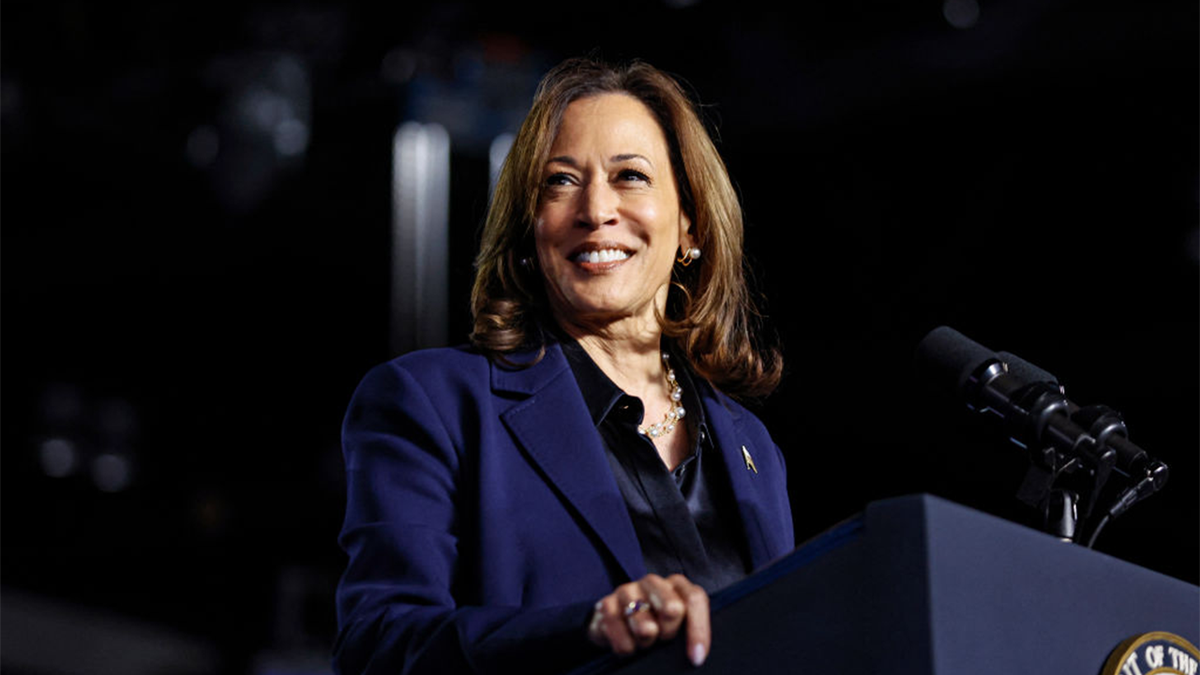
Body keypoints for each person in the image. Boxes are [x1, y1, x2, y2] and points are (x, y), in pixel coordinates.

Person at [334, 57, 794, 675]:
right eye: (560, 182)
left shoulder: (752, 448)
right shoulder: (432, 402)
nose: (595, 209)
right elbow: (378, 646)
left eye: (630, 176)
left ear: (690, 222)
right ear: (531, 231)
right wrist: (590, 628)